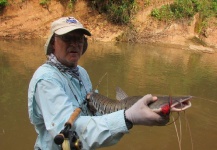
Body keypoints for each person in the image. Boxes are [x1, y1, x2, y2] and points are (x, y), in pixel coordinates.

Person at [28, 16, 169, 150]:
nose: (74, 44)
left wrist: (96, 108)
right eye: (67, 38)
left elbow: (92, 120)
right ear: (53, 43)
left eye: (79, 39)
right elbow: (69, 133)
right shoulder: (46, 80)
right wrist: (127, 118)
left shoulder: (81, 72)